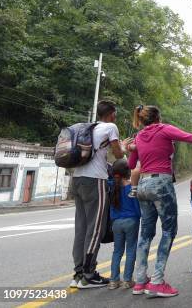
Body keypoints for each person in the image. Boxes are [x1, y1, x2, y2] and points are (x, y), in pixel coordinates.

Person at [128, 105, 192, 298]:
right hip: (161, 183)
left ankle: (140, 281)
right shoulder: (164, 129)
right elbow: (191, 138)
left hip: (143, 185)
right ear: (158, 117)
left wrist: (130, 148)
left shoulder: (139, 136)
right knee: (168, 231)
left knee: (145, 234)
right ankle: (157, 281)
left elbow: (132, 165)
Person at [71, 100, 125, 289]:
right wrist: (125, 146)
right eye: (115, 113)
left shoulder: (87, 128)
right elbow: (119, 154)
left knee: (82, 228)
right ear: (111, 114)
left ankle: (78, 274)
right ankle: (88, 274)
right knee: (96, 229)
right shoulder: (111, 127)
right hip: (95, 181)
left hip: (77, 179)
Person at [108, 159, 141, 290]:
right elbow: (137, 207)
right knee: (131, 250)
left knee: (117, 251)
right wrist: (140, 217)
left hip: (116, 223)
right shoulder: (131, 187)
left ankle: (113, 281)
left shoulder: (111, 186)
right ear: (128, 172)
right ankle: (127, 280)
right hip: (131, 221)